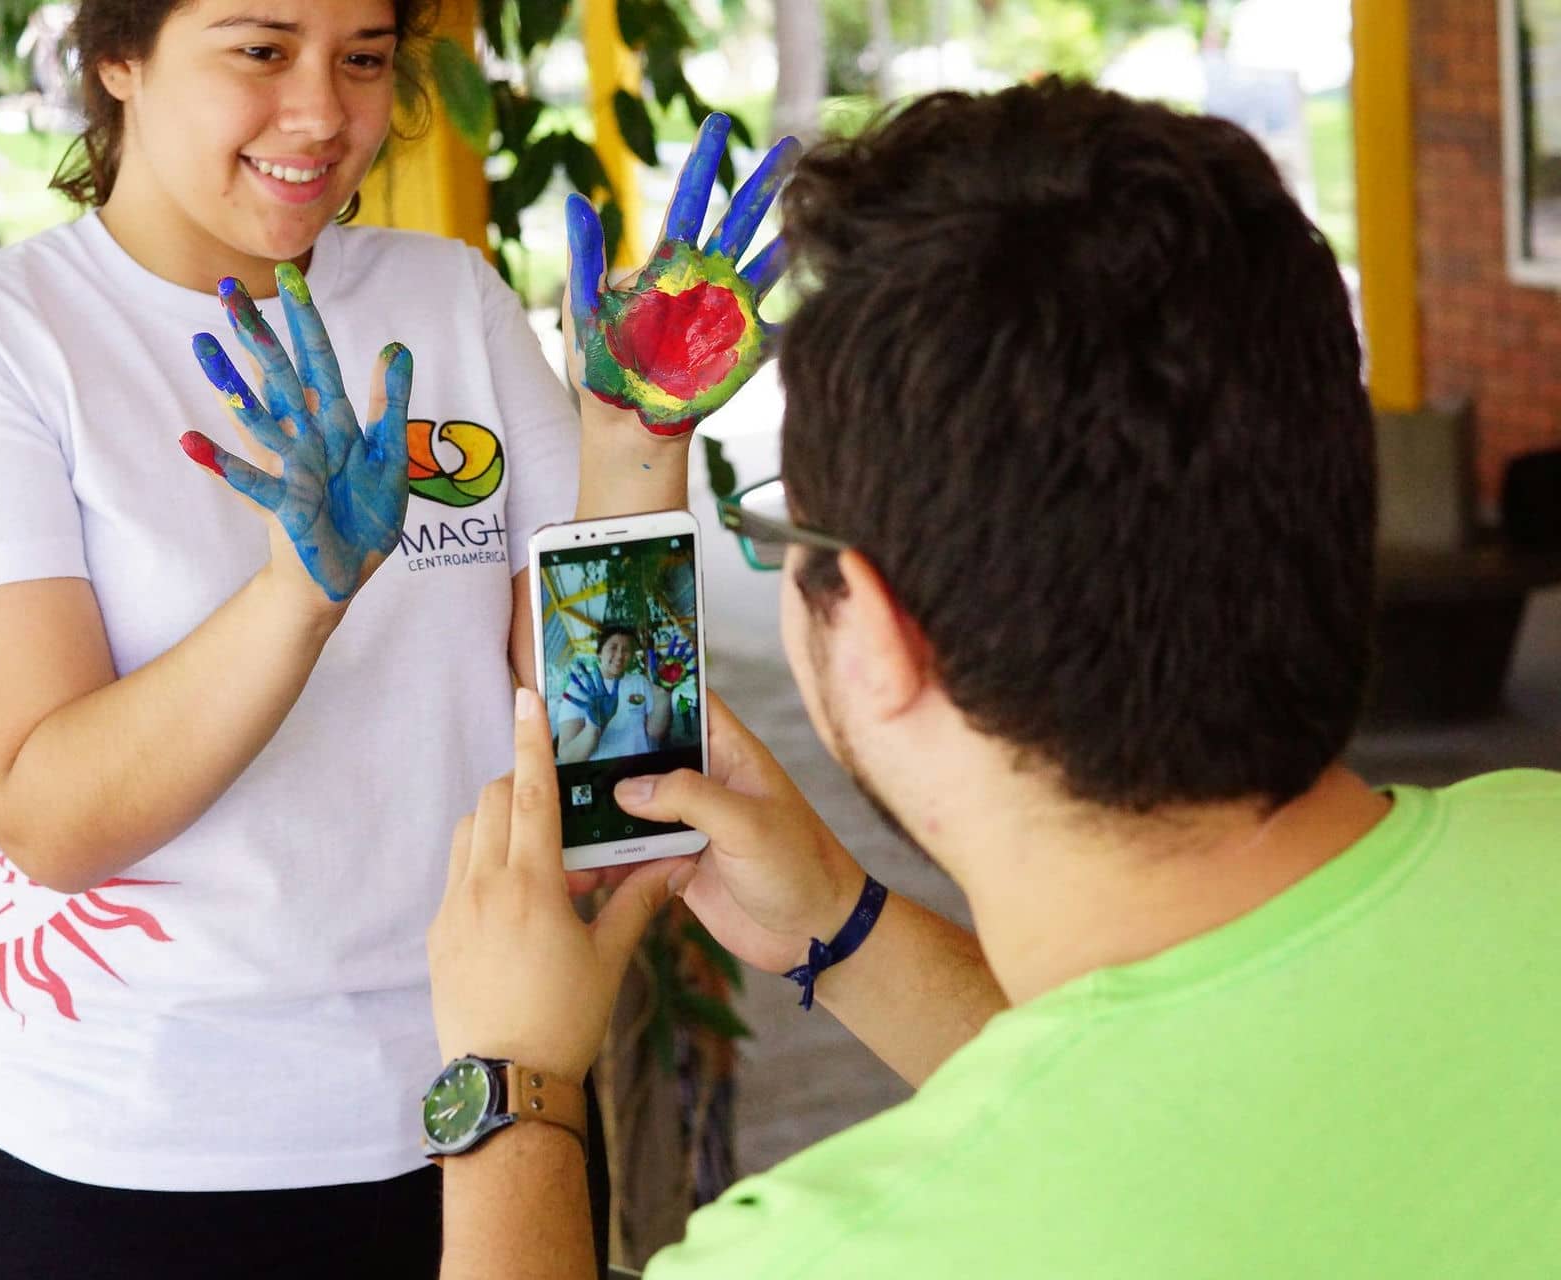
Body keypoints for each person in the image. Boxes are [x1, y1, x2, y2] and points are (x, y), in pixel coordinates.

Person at [423, 80, 1561, 1278]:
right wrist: (844, 928)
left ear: (873, 629)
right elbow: (1174, 1101)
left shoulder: (833, 1253)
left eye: (783, 535)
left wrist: (509, 1085)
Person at [0, 0, 797, 1272]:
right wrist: (299, 593)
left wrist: (639, 454)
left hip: (490, 1095)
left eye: (362, 58)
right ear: (118, 57)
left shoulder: (446, 297)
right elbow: (46, 811)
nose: (323, 113)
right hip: (138, 1145)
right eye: (261, 49)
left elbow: (613, 759)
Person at [556, 625, 671, 763]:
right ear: (599, 653)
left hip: (643, 770)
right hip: (604, 777)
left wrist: (663, 698)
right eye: (613, 647)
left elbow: (656, 733)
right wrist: (594, 726)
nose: (620, 655)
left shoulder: (641, 682)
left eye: (626, 650)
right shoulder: (579, 688)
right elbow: (568, 756)